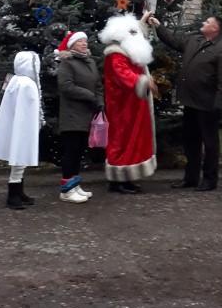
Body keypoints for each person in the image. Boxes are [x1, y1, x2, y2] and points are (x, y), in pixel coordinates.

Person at [144, 12, 222, 191]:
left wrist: (218, 105)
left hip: (208, 104)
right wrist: (158, 26)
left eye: (207, 21)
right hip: (190, 101)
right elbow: (174, 41)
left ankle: (210, 179)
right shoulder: (194, 41)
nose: (203, 22)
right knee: (191, 141)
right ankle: (190, 178)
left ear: (215, 28)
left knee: (209, 143)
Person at [98, 14, 157, 193]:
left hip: (132, 106)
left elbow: (138, 37)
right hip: (122, 108)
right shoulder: (115, 54)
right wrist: (144, 81)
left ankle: (127, 177)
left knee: (132, 140)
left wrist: (143, 21)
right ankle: (117, 180)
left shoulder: (126, 49)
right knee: (121, 141)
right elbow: (123, 75)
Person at [0, 50, 43, 210]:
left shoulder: (17, 81)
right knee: (19, 158)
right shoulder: (25, 84)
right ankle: (13, 194)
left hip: (22, 126)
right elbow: (25, 108)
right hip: (22, 127)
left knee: (21, 159)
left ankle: (19, 191)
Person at [56, 30, 102, 204]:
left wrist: (99, 101)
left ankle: (75, 185)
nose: (84, 44)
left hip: (87, 114)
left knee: (79, 152)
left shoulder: (90, 62)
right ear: (72, 45)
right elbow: (66, 86)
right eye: (80, 41)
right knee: (71, 152)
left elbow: (98, 85)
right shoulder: (67, 62)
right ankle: (66, 190)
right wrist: (89, 96)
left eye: (85, 41)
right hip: (72, 115)